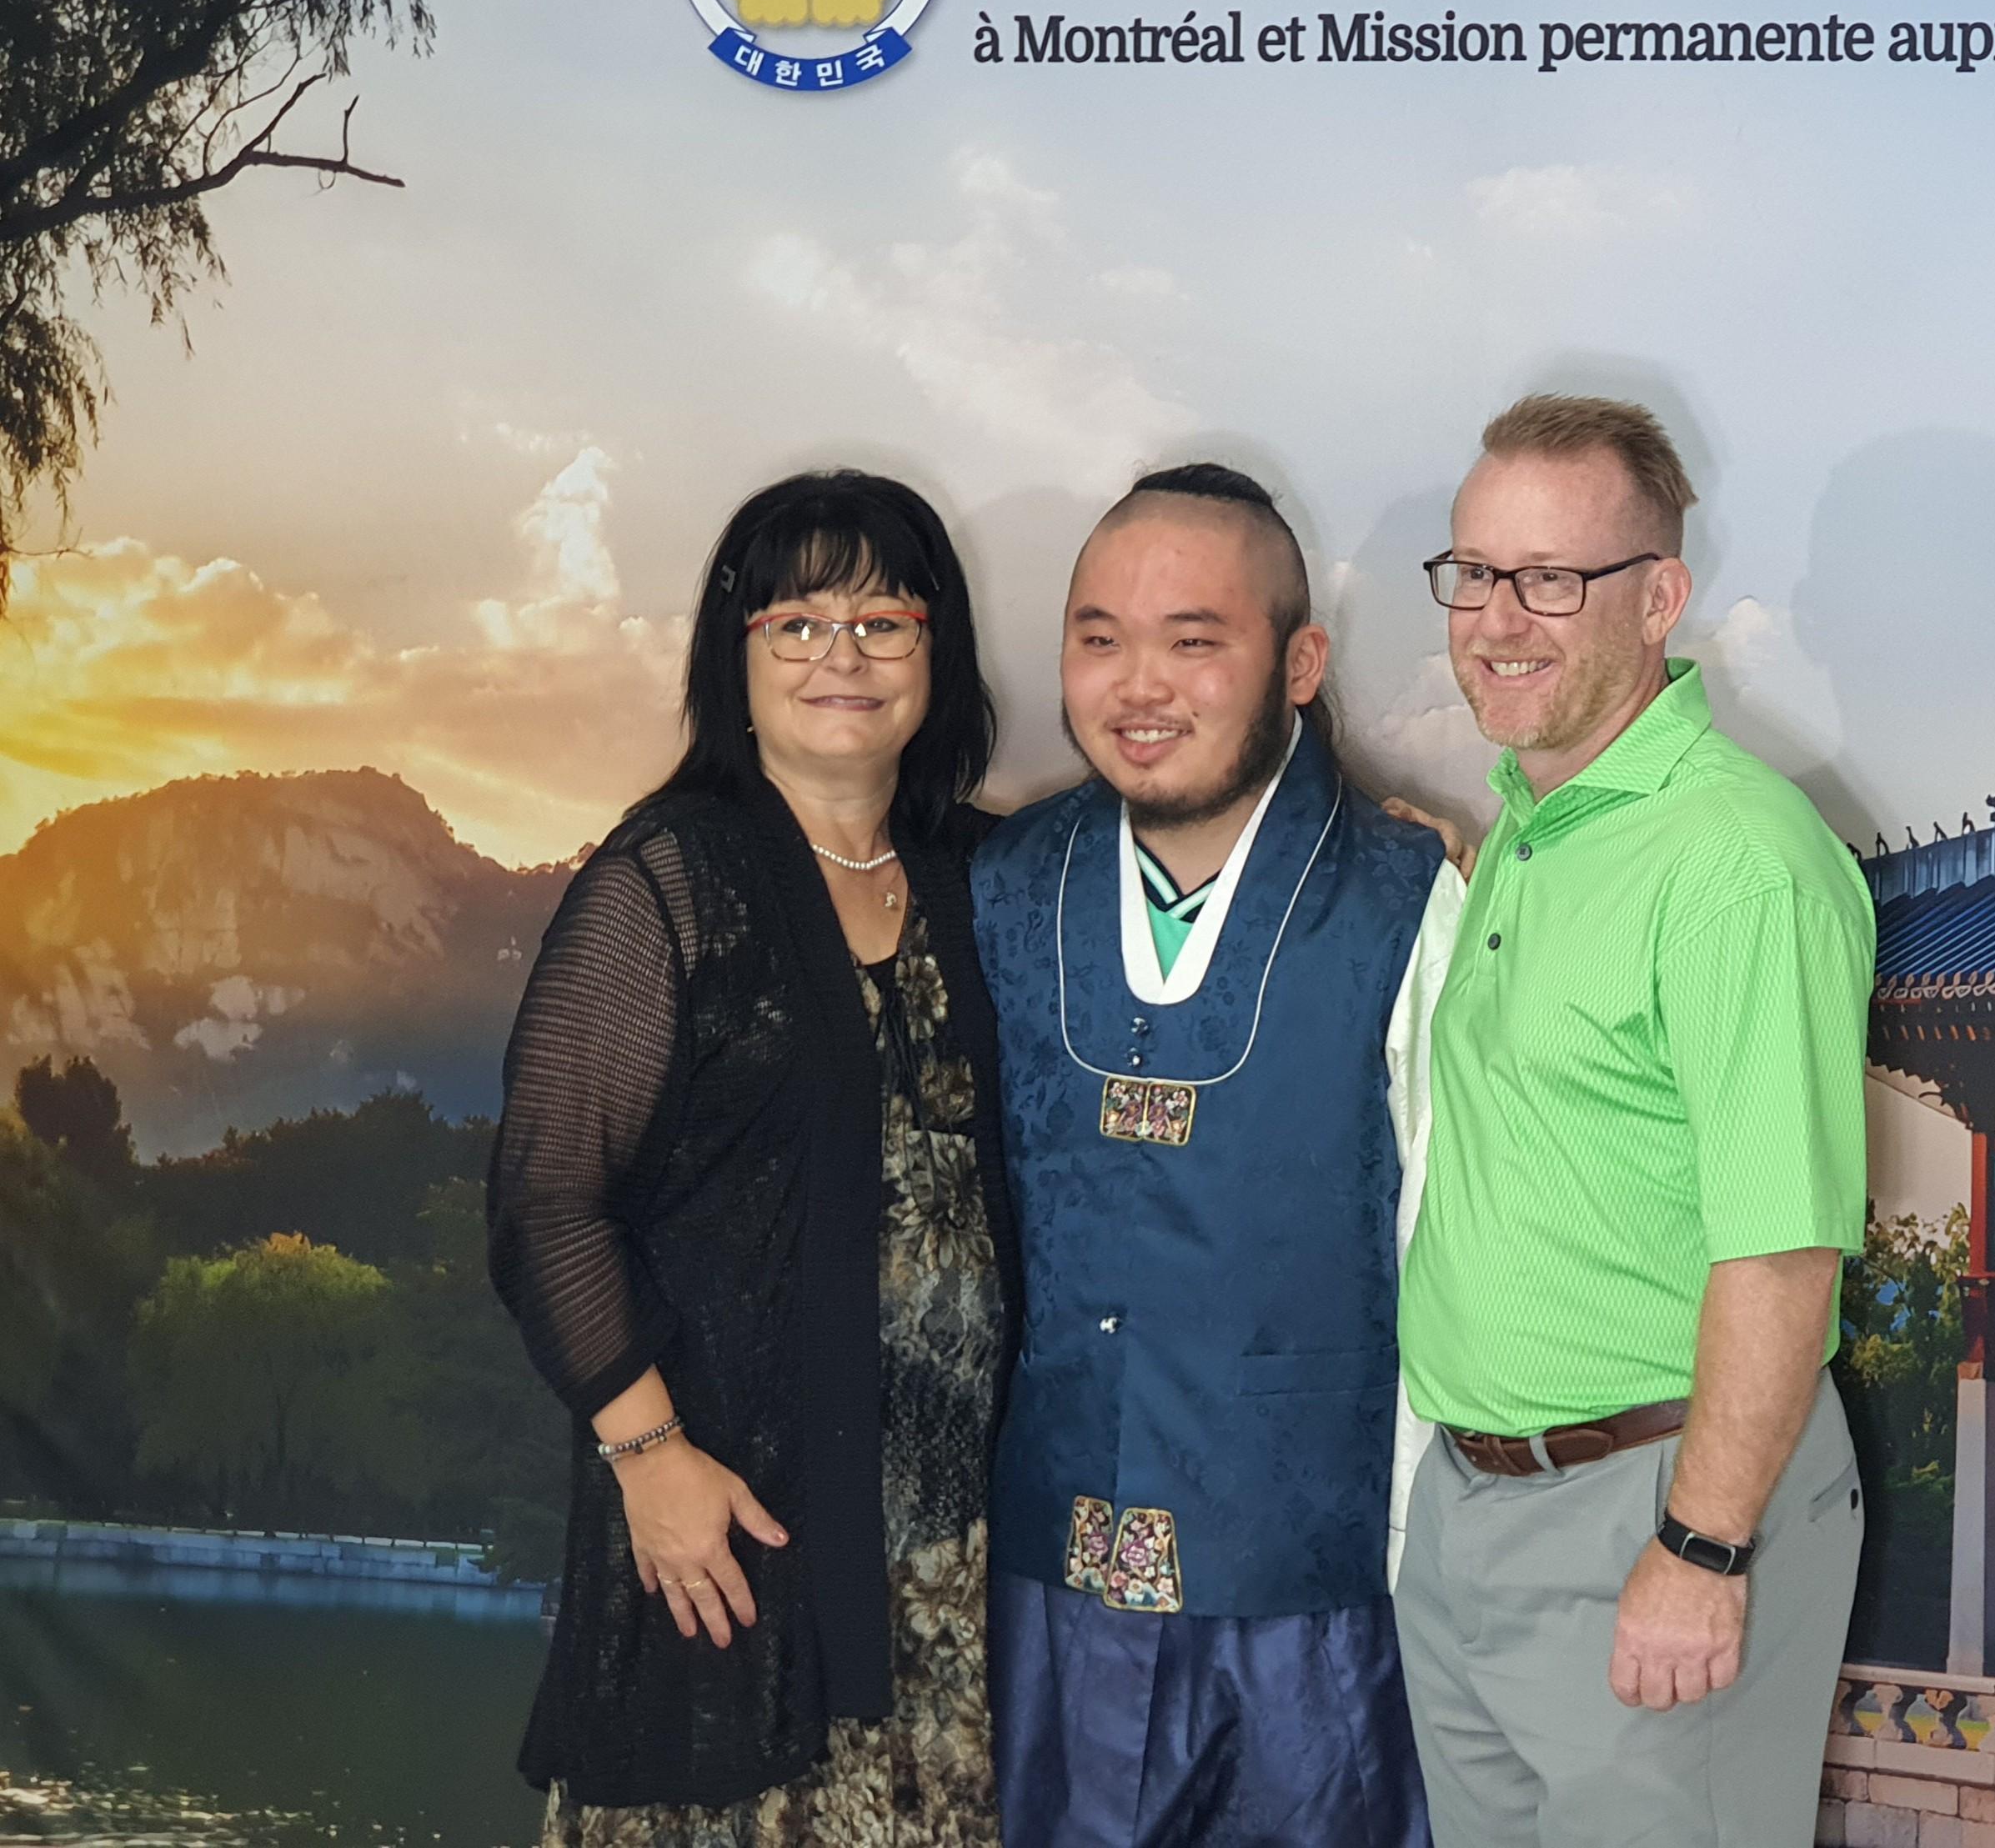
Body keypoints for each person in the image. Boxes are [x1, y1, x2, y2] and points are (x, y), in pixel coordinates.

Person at [489, 469, 1017, 1841]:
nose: (842, 655)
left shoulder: (990, 874)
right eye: (796, 623)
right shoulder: (670, 879)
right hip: (730, 1539)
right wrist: (649, 1455)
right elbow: (549, 1201)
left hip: (958, 1583)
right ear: (736, 657)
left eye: (882, 621)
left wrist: (1368, 823)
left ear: (938, 650)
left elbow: (1182, 849)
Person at [1395, 397, 1872, 1847]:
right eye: (1475, 572)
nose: (1497, 619)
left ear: (1661, 598)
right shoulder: (1531, 824)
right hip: (1468, 1511)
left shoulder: (1736, 862)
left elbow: (1783, 1250)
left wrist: (1700, 1545)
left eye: (1552, 578)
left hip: (1653, 1513)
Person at [969, 463, 1457, 1847]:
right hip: (1050, 1589)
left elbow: (1446, 1238)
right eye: (1100, 638)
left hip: (1314, 1604)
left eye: (1194, 641)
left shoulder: (1403, 897)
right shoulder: (1002, 886)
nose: (1141, 685)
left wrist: (1424, 1567)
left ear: (1299, 664)